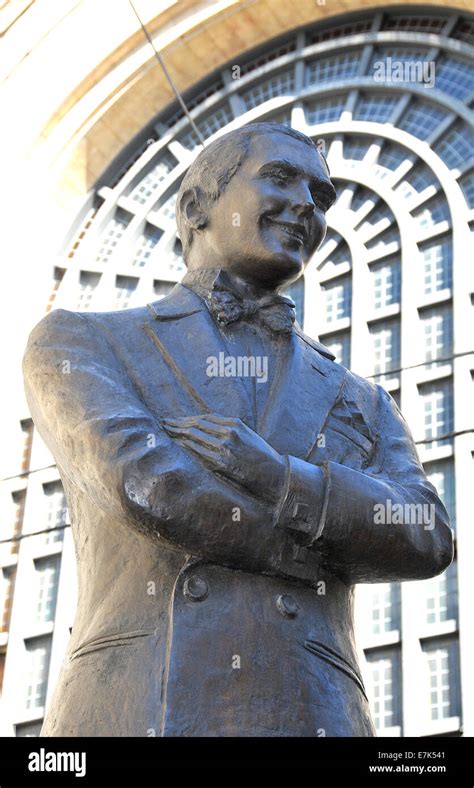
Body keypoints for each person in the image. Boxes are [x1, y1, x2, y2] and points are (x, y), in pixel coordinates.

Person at [23, 123, 453, 736]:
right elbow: (152, 487)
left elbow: (427, 533)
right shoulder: (83, 341)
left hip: (313, 710)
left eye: (322, 196)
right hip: (141, 702)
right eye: (280, 178)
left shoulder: (363, 399)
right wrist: (311, 550)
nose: (308, 204)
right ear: (197, 207)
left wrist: (281, 478)